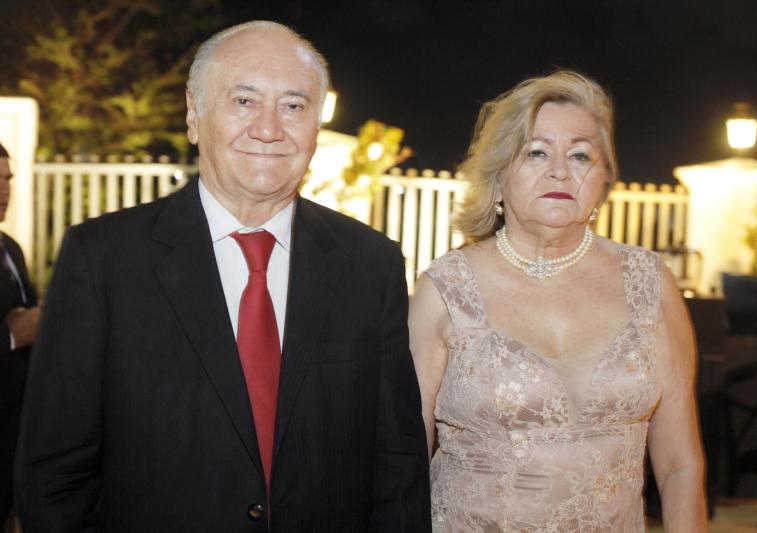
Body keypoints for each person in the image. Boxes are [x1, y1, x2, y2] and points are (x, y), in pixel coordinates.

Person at [15, 21, 430, 532]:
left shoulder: (370, 264)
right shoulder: (102, 260)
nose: (269, 128)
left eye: (294, 106)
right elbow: (53, 471)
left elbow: (397, 462)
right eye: (244, 101)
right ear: (194, 114)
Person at [409, 71, 707, 531]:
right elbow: (402, 461)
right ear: (498, 175)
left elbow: (680, 466)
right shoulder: (445, 290)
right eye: (536, 152)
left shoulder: (650, 284)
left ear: (604, 179)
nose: (560, 171)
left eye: (581, 154)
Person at [0, 142, 39, 531]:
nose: (4, 189)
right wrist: (10, 335)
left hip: (16, 429)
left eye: (8, 179)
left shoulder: (11, 248)